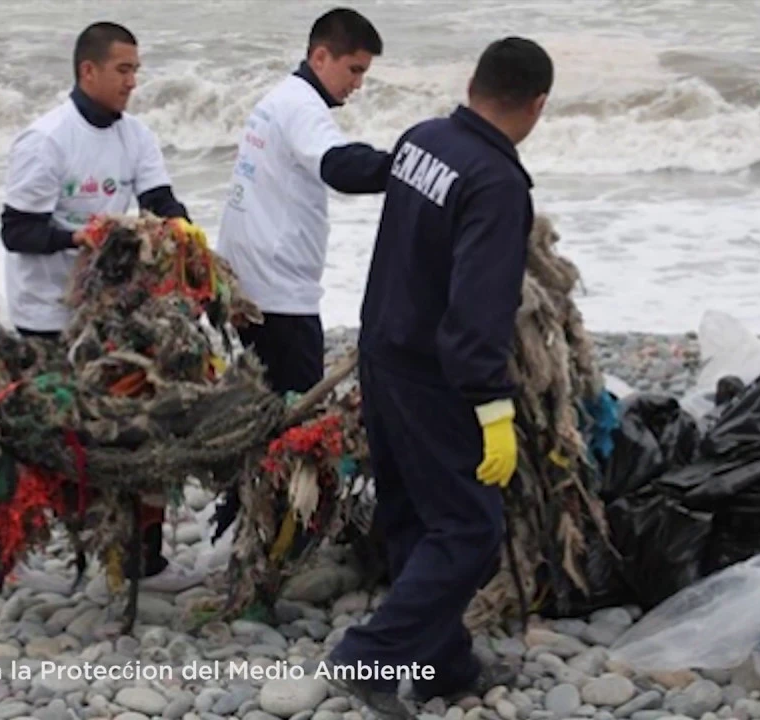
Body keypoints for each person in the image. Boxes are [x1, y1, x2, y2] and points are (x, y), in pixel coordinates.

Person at [324, 37, 555, 717]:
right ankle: (368, 657)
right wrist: (493, 408)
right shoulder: (496, 181)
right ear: (537, 105)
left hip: (382, 350)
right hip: (432, 373)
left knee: (412, 514)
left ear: (474, 83)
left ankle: (440, 664)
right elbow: (477, 310)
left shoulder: (424, 139)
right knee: (469, 528)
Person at [0, 21, 205, 594]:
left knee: (139, 427)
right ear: (88, 71)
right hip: (49, 316)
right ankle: (41, 557)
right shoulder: (46, 140)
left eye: (137, 70)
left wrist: (184, 233)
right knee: (55, 437)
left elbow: (160, 199)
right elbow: (16, 229)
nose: (132, 82)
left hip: (113, 311)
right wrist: (85, 238)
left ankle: (145, 561)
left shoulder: (135, 135)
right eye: (123, 70)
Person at [214, 7, 392, 397]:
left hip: (249, 280)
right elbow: (340, 167)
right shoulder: (303, 108)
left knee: (263, 405)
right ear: (320, 57)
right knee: (298, 417)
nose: (358, 85)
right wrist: (406, 166)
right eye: (355, 70)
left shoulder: (279, 98)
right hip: (280, 295)